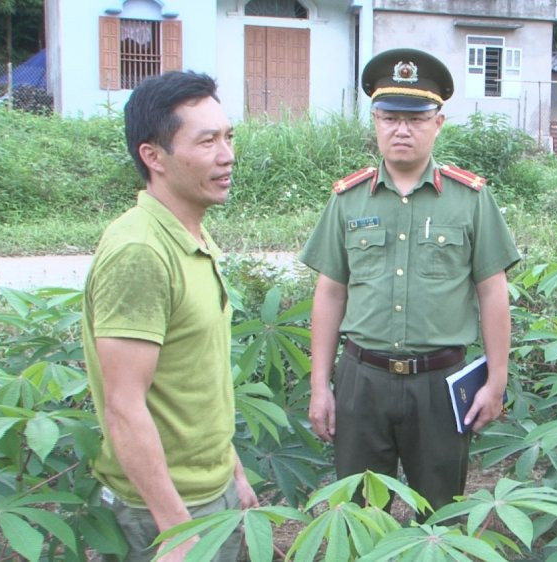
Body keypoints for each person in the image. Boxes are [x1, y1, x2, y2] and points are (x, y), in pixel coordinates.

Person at [300, 48, 520, 515]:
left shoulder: (471, 199)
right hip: (363, 380)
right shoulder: (348, 198)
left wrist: (496, 381)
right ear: (375, 122)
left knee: (439, 512)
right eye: (390, 118)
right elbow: (330, 292)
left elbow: (492, 291)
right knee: (360, 514)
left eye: (416, 119)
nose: (402, 130)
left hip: (439, 384)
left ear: (437, 123)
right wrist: (321, 385)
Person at [81, 71, 258, 561]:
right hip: (166, 510)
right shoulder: (140, 250)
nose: (227, 156)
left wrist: (233, 472)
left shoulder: (191, 236)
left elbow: (193, 377)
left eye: (228, 137)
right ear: (153, 156)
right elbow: (124, 404)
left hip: (211, 491)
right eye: (207, 142)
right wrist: (175, 528)